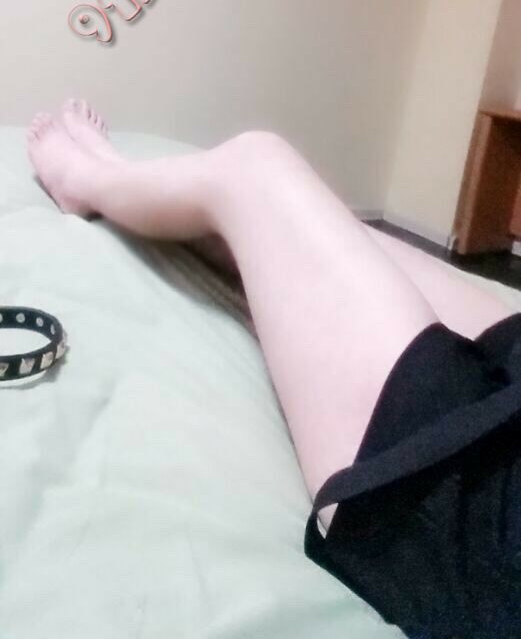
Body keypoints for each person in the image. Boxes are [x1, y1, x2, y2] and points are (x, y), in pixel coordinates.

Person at [27, 100, 521, 639]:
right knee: (338, 233)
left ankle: (88, 179)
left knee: (255, 167)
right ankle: (123, 179)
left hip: (489, 507)